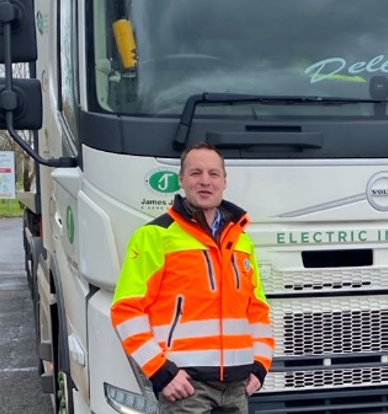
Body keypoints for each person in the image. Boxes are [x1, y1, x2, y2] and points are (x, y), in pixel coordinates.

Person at [111, 142, 274, 413]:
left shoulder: (241, 242)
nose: (205, 181)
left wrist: (260, 366)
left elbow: (256, 311)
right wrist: (161, 372)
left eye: (213, 174)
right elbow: (126, 310)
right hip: (186, 386)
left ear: (224, 181)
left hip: (237, 387)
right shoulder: (155, 236)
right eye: (196, 173)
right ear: (182, 180)